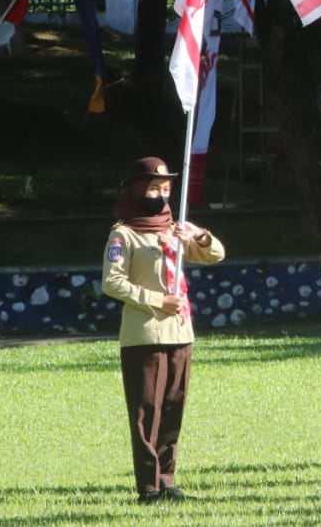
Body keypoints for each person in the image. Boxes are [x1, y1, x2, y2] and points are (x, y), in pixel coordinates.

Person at [101, 156, 226, 504]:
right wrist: (156, 300)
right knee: (146, 412)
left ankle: (167, 480)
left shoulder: (174, 229)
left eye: (166, 188)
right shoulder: (123, 233)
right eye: (154, 187)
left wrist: (200, 236)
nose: (160, 194)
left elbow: (215, 255)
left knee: (173, 407)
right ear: (138, 189)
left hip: (180, 333)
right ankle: (149, 486)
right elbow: (112, 283)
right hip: (145, 334)